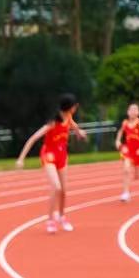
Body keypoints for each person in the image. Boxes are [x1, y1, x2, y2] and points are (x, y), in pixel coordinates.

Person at [15, 94, 88, 233]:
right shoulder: (53, 122)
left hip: (62, 156)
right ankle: (50, 220)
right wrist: (21, 158)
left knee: (64, 190)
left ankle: (61, 216)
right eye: (75, 106)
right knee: (56, 187)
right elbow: (33, 138)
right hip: (49, 155)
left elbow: (74, 126)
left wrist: (79, 133)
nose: (76, 108)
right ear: (70, 107)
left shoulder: (68, 117)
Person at [114, 102, 139, 202]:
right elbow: (120, 132)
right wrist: (118, 141)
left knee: (137, 176)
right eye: (130, 109)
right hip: (128, 150)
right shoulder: (125, 123)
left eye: (135, 109)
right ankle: (125, 193)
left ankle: (136, 171)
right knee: (126, 170)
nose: (132, 111)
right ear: (127, 112)